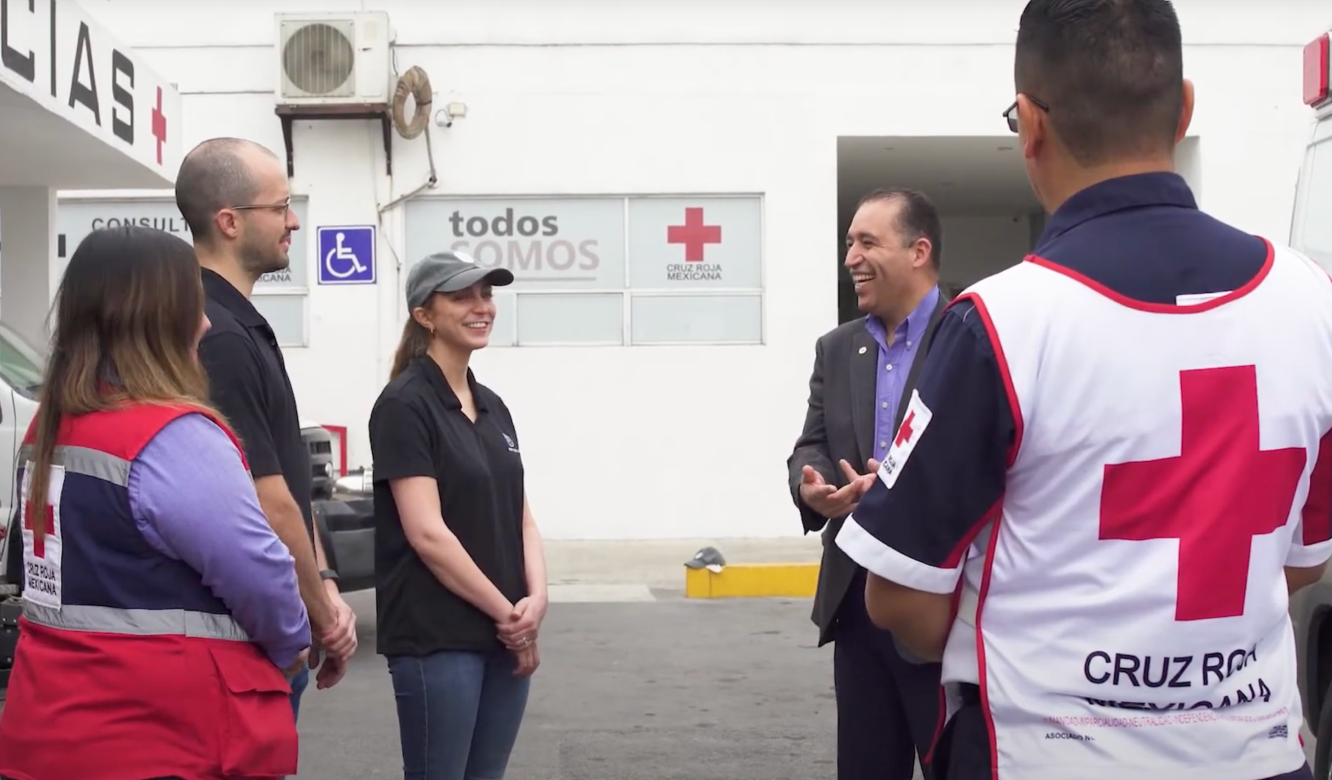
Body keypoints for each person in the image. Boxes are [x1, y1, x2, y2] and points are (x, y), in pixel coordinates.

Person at [834, 1, 1332, 779]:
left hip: (1045, 756)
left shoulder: (1000, 322)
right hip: (1257, 755)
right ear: (1184, 107)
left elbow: (899, 598)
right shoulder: (1312, 301)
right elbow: (1304, 558)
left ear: (1029, 125)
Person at [0, 225, 311, 780]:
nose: (207, 322)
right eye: (193, 305)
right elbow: (262, 577)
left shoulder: (46, 431)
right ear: (158, 318)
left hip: (48, 728)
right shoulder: (172, 437)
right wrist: (294, 646)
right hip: (166, 737)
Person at [175, 137, 358, 716]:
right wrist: (325, 618)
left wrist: (323, 579)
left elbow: (284, 470)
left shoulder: (235, 322)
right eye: (279, 207)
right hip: (244, 645)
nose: (293, 221)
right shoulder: (218, 336)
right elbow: (264, 497)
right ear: (229, 221)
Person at [787, 188, 949, 780]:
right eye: (848, 242)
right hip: (855, 599)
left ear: (918, 251)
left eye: (867, 241)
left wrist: (906, 478)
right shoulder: (837, 349)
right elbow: (811, 443)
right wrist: (813, 486)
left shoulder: (971, 336)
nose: (850, 256)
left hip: (943, 605)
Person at [368, 251, 548, 780]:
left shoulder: (492, 405)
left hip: (505, 632)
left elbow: (522, 519)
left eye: (486, 295)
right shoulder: (404, 405)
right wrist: (510, 617)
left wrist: (536, 602)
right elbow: (427, 534)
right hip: (438, 637)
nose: (481, 307)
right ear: (424, 315)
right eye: (463, 296)